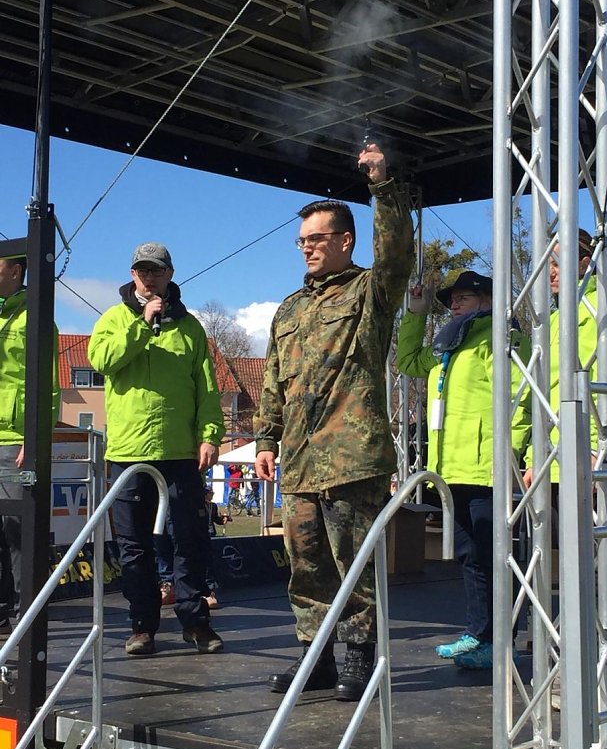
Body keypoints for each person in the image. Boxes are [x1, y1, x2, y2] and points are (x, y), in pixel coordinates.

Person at [254, 143, 414, 701]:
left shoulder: (370, 291)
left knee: (354, 565)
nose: (308, 251)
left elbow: (397, 255)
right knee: (307, 567)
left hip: (351, 455)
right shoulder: (289, 309)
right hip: (298, 459)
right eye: (302, 242)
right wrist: (265, 437)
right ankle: (314, 657)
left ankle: (357, 656)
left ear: (346, 240)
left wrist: (383, 188)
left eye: (317, 240)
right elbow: (274, 377)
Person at [88, 242, 225, 655]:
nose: (149, 278)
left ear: (169, 275)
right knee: (133, 546)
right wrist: (140, 326)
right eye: (141, 271)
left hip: (181, 451)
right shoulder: (113, 320)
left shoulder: (191, 328)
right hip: (129, 453)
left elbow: (207, 388)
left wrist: (211, 434)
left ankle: (195, 622)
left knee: (189, 539)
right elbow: (102, 361)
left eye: (156, 271)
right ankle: (142, 625)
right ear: (132, 276)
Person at [397, 270, 531, 669]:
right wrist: (416, 315)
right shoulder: (447, 345)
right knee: (470, 558)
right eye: (452, 298)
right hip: (451, 469)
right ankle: (478, 634)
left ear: (488, 300)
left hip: (488, 467)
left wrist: (514, 454)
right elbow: (406, 360)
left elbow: (520, 400)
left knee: (495, 557)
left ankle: (501, 640)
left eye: (465, 297)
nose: (454, 303)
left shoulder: (501, 337)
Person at [523, 229, 607, 488]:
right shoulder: (552, 320)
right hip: (549, 459)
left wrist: (591, 447)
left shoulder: (597, 308)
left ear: (584, 265)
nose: (550, 272)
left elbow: (605, 384)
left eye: (556, 263)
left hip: (579, 458)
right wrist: (534, 457)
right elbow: (542, 395)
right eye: (546, 264)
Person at [0, 255, 60, 637]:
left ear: (16, 271)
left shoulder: (36, 318)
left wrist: (34, 437)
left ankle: (26, 613)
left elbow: (48, 386)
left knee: (17, 529)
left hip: (15, 441)